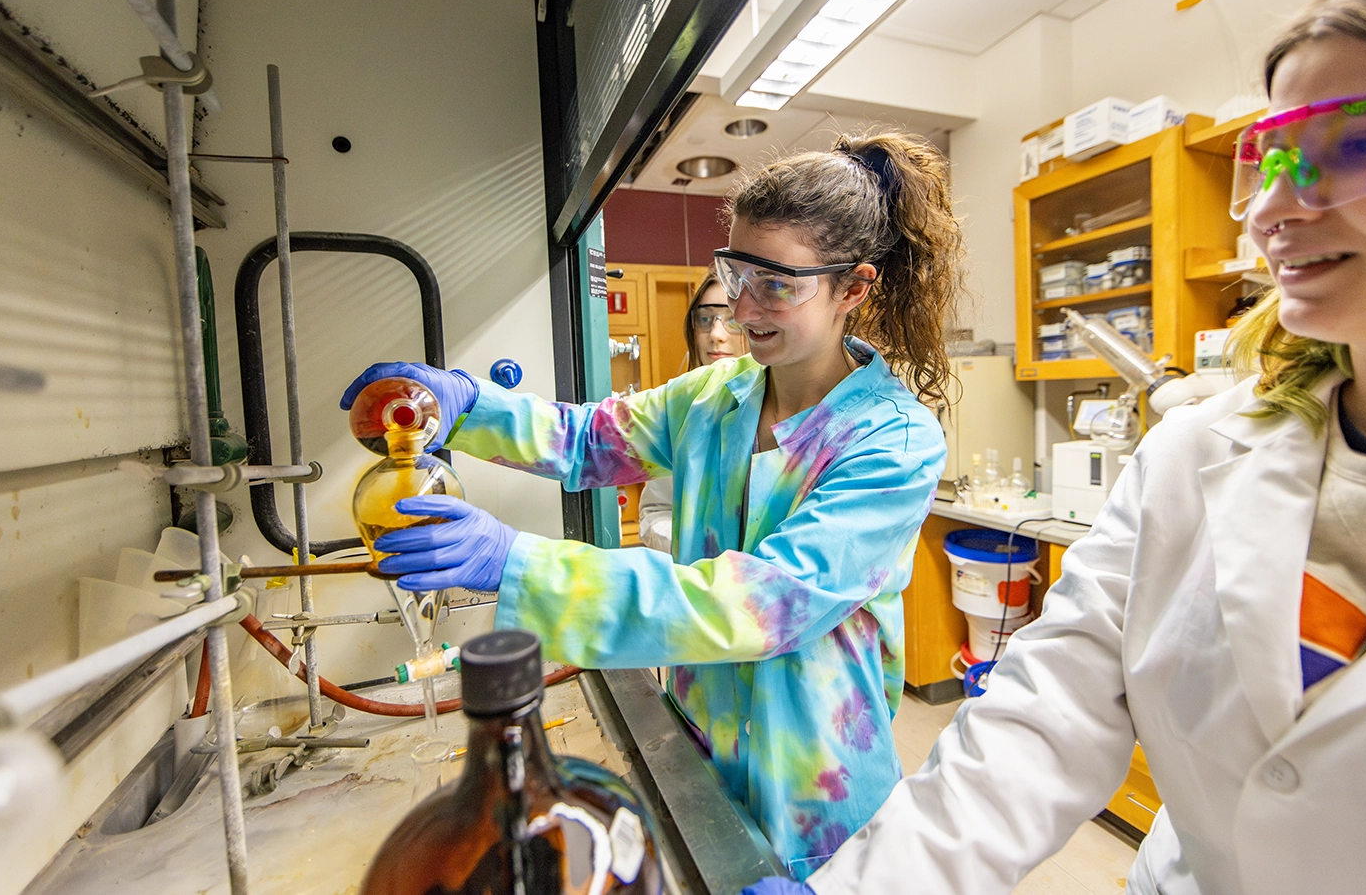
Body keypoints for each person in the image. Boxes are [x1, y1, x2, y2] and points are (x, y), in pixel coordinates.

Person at [745, 0, 1366, 893]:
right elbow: (1037, 725)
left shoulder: (887, 427)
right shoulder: (1196, 453)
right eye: (1274, 155)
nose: (1275, 209)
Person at [341, 130, 965, 878]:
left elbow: (757, 606)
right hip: (701, 751)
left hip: (816, 794)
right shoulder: (716, 395)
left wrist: (517, 565)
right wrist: (469, 406)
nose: (743, 309)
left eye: (778, 285)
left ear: (854, 288)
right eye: (737, 273)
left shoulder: (892, 441)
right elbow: (586, 441)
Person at [637, 270, 746, 553]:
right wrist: (698, 549)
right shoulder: (681, 414)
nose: (716, 334)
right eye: (706, 320)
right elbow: (656, 511)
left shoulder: (793, 408)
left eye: (732, 320)